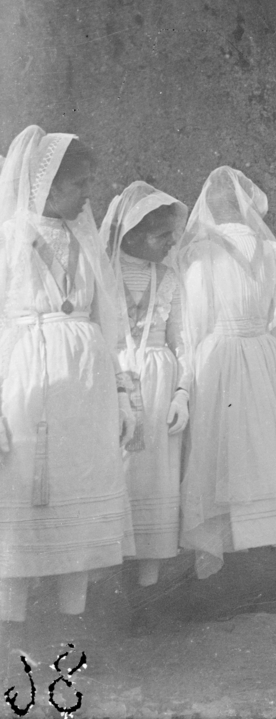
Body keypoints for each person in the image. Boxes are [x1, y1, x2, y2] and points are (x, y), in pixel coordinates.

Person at [0, 128, 135, 638]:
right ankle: (9, 628)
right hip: (27, 378)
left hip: (84, 385)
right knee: (18, 501)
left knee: (79, 492)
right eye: (78, 185)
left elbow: (108, 318)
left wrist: (122, 392)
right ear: (47, 187)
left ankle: (72, 626)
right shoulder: (10, 235)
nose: (86, 196)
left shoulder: (84, 236)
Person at [177, 167, 276, 579]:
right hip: (264, 355)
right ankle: (264, 552)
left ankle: (230, 560)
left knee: (226, 450)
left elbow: (195, 318)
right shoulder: (269, 249)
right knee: (265, 449)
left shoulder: (202, 253)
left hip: (223, 354)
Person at [100, 181, 190, 589]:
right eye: (161, 235)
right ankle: (104, 579)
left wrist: (182, 393)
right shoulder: (103, 273)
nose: (171, 243)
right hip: (115, 379)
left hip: (158, 385)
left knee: (156, 480)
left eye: (172, 234)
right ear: (132, 232)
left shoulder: (169, 279)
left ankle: (148, 586)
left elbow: (182, 341)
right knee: (115, 472)